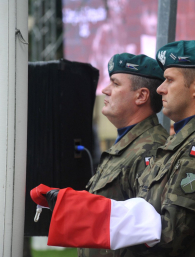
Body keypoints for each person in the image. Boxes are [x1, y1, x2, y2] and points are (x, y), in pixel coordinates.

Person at [30, 41, 195, 257]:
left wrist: (80, 211)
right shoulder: (177, 144)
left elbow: (168, 234)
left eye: (169, 80)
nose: (161, 88)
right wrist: (74, 205)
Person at [78, 53, 169, 257]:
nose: (105, 90)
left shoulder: (152, 149)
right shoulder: (127, 144)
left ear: (141, 96)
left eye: (115, 84)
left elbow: (149, 235)